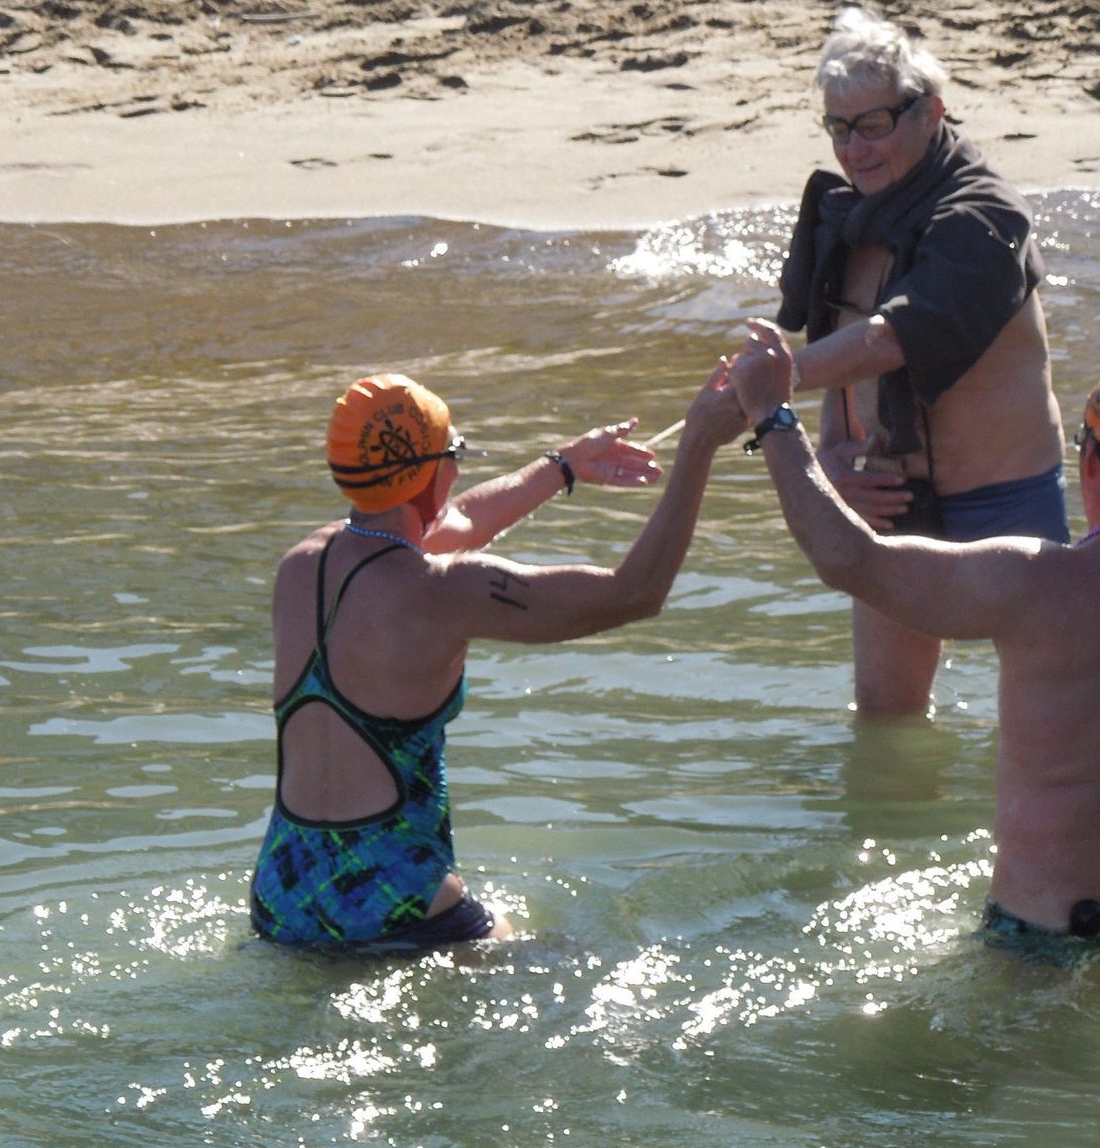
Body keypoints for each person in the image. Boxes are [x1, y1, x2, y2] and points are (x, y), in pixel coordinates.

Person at [730, 327, 1100, 958]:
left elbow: (847, 558)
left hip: (1041, 935)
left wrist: (773, 415)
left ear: (1090, 461)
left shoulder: (1033, 581)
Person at [250, 367, 745, 951]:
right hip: (397, 896)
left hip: (282, 889)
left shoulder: (302, 564)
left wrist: (564, 464)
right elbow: (635, 593)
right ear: (426, 472)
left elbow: (457, 522)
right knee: (586, 966)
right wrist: (699, 446)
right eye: (455, 453)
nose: (459, 470)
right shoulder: (443, 591)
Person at [772, 7, 1068, 717]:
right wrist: (830, 456)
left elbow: (891, 339)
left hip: (1006, 502)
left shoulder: (988, 217)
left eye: (873, 124)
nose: (855, 150)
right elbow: (845, 358)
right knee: (885, 720)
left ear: (930, 111)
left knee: (1051, 724)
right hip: (893, 501)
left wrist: (773, 383)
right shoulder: (850, 216)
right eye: (839, 128)